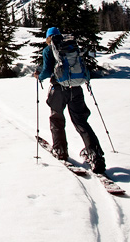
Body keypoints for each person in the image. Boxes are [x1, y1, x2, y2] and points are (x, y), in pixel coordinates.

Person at [33, 27, 106, 173]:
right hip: (76, 88)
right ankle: (96, 156)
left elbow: (47, 70)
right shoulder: (71, 47)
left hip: (58, 89)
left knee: (57, 119)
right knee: (81, 121)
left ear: (48, 38)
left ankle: (60, 150)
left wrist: (38, 77)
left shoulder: (49, 50)